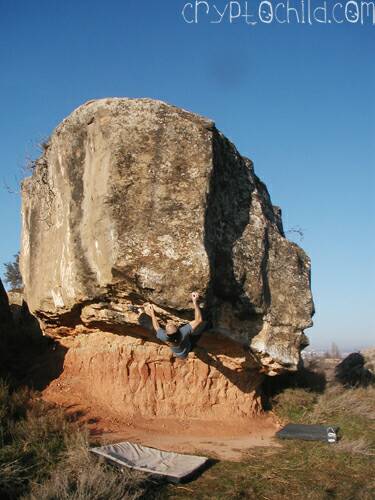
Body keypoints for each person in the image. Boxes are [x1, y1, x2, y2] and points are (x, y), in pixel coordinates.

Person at [144, 292, 203, 359]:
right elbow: (199, 320)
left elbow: (156, 326)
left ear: (166, 333)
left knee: (184, 354)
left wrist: (152, 313)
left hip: (179, 354)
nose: (169, 323)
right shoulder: (183, 332)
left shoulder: (163, 336)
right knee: (201, 331)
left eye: (167, 325)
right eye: (171, 324)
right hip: (188, 347)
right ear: (178, 327)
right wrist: (195, 302)